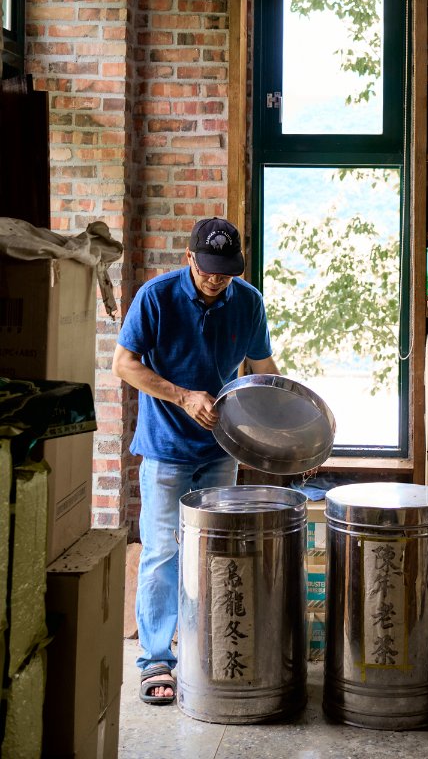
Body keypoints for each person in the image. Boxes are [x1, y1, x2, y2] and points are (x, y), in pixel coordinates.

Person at [112, 217, 279, 705]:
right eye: (208, 270)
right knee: (163, 551)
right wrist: (183, 397)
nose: (215, 280)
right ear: (189, 259)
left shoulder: (248, 302)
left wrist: (285, 426)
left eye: (225, 272)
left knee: (214, 554)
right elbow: (124, 364)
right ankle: (157, 659)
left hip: (220, 449)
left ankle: (207, 648)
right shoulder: (156, 297)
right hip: (165, 448)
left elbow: (264, 369)